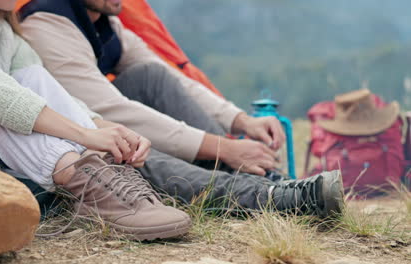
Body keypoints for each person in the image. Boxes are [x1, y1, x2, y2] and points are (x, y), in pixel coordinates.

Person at [18, 0, 345, 217]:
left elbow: (174, 78)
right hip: (65, 145)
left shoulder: (106, 25)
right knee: (127, 147)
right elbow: (109, 110)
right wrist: (223, 147)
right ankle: (270, 198)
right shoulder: (45, 22)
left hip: (93, 125)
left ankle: (263, 179)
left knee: (151, 76)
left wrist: (238, 120)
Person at [0, 0, 192, 241]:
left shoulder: (5, 34)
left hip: (1, 167)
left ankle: (100, 179)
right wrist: (85, 135)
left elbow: (49, 93)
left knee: (33, 75)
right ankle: (86, 181)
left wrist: (108, 130)